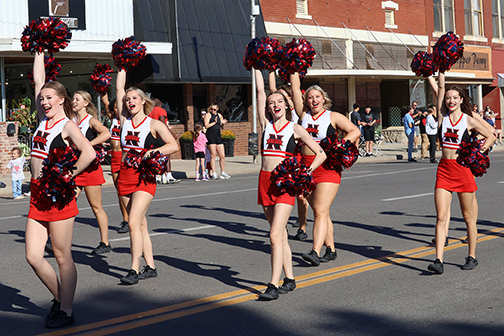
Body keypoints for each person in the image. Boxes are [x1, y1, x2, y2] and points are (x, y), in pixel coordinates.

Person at [26, 52, 95, 328]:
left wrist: (70, 173)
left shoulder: (67, 125)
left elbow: (89, 152)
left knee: (61, 255)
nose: (44, 101)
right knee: (32, 255)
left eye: (49, 98)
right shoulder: (43, 118)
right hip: (37, 195)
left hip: (58, 196)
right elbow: (39, 80)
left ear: (62, 100)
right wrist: (39, 51)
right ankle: (61, 299)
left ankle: (66, 311)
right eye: (42, 98)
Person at [255, 70, 326, 300]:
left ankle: (273, 284)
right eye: (271, 102)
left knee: (275, 235)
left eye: (279, 101)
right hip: (265, 181)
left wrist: (306, 171)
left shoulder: (294, 129)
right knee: (281, 235)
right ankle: (290, 278)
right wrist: (257, 67)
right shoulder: (265, 124)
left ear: (286, 105)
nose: (275, 105)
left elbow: (321, 153)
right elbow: (258, 90)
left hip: (284, 183)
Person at [426, 73, 495, 274]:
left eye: (455, 97)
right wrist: (440, 71)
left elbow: (490, 135)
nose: (451, 101)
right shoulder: (442, 116)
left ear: (461, 100)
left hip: (462, 170)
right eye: (448, 98)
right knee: (440, 216)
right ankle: (438, 260)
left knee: (468, 217)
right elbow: (438, 88)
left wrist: (478, 151)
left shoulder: (468, 120)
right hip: (444, 170)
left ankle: (471, 256)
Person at [116, 70, 179, 285]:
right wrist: (121, 67)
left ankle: (133, 268)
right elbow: (118, 89)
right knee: (141, 225)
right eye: (127, 99)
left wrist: (154, 152)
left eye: (134, 98)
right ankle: (150, 266)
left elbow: (173, 145)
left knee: (133, 223)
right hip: (125, 175)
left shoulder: (154, 124)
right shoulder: (124, 120)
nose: (130, 101)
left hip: (144, 177)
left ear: (143, 102)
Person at [290, 79, 360, 267]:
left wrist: (340, 144)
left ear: (323, 99)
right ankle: (331, 249)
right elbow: (295, 88)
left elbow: (355, 131)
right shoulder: (303, 115)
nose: (314, 100)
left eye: (317, 97)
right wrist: (294, 64)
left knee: (320, 210)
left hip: (328, 167)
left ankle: (315, 251)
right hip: (306, 167)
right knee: (321, 211)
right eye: (310, 97)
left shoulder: (332, 116)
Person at [268, 71, 309, 240]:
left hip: (297, 154)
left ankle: (302, 227)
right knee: (280, 191)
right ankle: (282, 227)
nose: (280, 101)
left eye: (284, 96)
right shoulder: (277, 113)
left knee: (301, 196)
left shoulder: (298, 112)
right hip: (283, 155)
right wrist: (269, 67)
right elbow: (271, 89)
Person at [72, 91, 112, 254]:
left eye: (77, 99)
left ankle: (105, 242)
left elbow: (106, 133)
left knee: (96, 207)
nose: (73, 101)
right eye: (73, 99)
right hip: (75, 167)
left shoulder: (91, 121)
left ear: (86, 103)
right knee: (67, 204)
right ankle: (58, 241)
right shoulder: (71, 121)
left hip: (90, 169)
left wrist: (89, 145)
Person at [102, 94, 129, 234]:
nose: (118, 110)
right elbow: (105, 100)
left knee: (125, 191)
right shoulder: (113, 119)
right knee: (119, 192)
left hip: (125, 158)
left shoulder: (128, 121)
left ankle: (129, 219)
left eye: (120, 107)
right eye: (115, 108)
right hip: (114, 158)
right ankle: (125, 219)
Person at [150, 98, 180, 184]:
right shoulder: (161, 110)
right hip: (161, 135)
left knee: (156, 155)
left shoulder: (149, 112)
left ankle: (158, 176)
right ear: (159, 103)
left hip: (152, 135)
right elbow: (162, 123)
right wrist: (171, 134)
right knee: (167, 155)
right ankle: (168, 176)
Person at [204, 103, 231, 180]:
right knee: (213, 155)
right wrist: (214, 122)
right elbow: (206, 126)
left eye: (214, 109)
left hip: (218, 136)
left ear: (217, 109)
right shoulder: (208, 115)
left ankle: (222, 172)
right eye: (211, 109)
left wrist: (222, 124)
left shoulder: (219, 115)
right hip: (211, 136)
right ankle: (214, 173)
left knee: (222, 155)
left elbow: (221, 127)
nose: (213, 110)